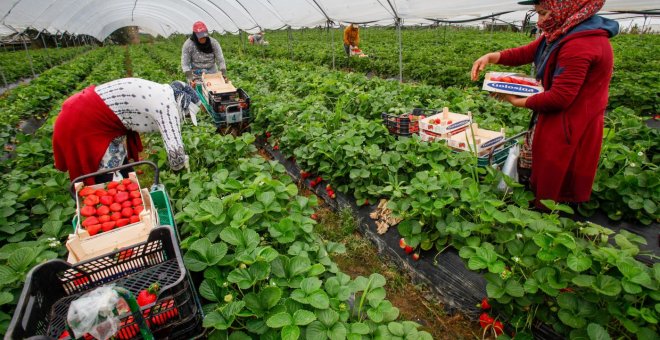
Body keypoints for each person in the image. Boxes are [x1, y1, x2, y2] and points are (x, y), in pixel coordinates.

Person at [471, 0, 618, 208]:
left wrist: (517, 101)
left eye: (544, 13)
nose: (539, 22)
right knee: (542, 166)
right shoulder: (562, 33)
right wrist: (492, 57)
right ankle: (538, 204)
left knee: (557, 174)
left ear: (565, 8)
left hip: (571, 122)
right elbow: (527, 52)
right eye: (537, 14)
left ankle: (551, 219)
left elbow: (560, 97)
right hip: (556, 117)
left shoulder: (580, 44)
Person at [53, 78, 201, 184]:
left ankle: (126, 187)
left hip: (84, 109)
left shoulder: (163, 91)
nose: (185, 118)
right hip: (84, 120)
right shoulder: (168, 106)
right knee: (108, 171)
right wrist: (184, 175)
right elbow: (175, 153)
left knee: (120, 160)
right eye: (187, 114)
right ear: (182, 104)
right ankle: (112, 202)